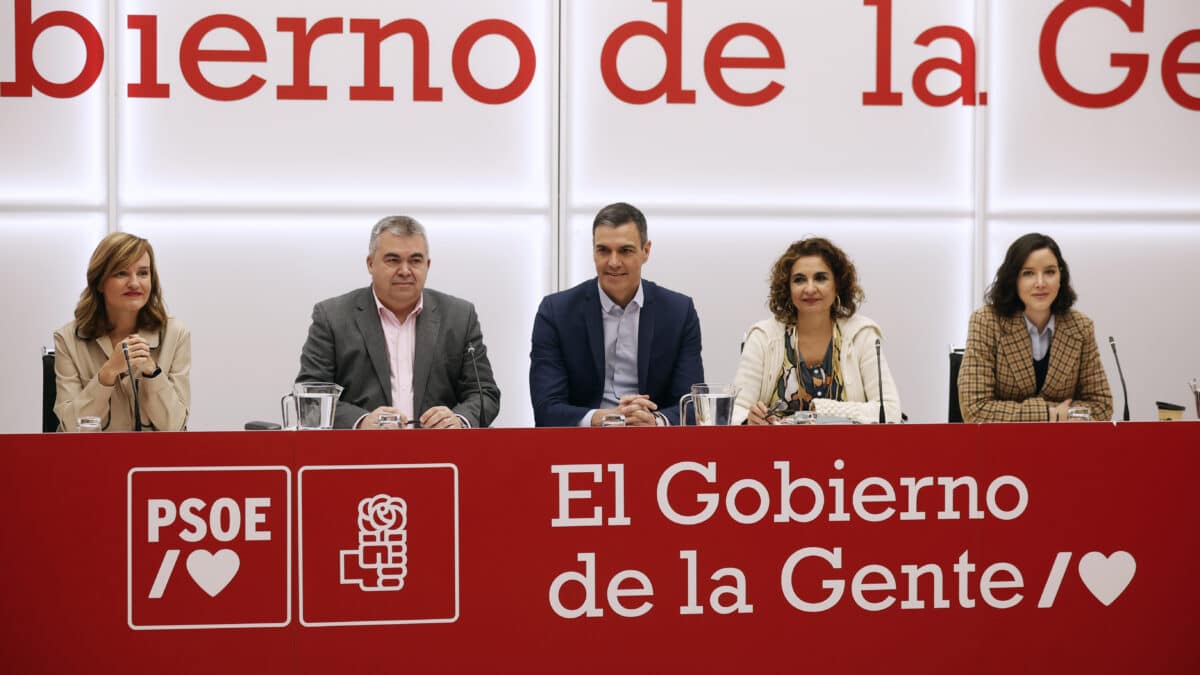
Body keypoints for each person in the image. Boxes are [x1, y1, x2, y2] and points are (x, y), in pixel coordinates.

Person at [296, 216, 499, 429]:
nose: (404, 270)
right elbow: (310, 401)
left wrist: (459, 420)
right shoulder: (332, 317)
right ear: (370, 264)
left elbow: (484, 394)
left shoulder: (459, 316)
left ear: (427, 265)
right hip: (361, 455)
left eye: (415, 260)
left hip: (441, 455)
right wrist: (361, 422)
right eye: (393, 260)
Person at [530, 202, 704, 427]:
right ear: (593, 252)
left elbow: (691, 406)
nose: (613, 262)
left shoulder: (679, 313)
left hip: (657, 447)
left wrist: (654, 421)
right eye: (603, 250)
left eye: (625, 250)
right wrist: (605, 418)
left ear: (646, 251)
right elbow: (546, 409)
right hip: (580, 446)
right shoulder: (555, 313)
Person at [732, 237, 900, 425]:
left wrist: (819, 411)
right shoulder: (763, 336)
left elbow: (890, 412)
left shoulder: (862, 335)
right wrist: (749, 419)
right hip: (776, 452)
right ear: (788, 288)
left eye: (820, 278)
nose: (810, 288)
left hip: (850, 452)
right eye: (799, 280)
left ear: (837, 285)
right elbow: (734, 410)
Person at [958, 233, 1112, 422]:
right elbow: (975, 408)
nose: (1041, 283)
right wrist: (1051, 414)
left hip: (1063, 447)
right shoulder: (987, 322)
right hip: (1001, 446)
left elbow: (1102, 405)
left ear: (1060, 276)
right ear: (1013, 279)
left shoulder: (1080, 327)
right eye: (1028, 273)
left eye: (1049, 272)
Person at [53, 233, 190, 431]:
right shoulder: (67, 339)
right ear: (100, 281)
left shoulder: (175, 335)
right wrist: (108, 372)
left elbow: (175, 426)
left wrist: (152, 372)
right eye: (121, 273)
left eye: (143, 273)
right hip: (93, 459)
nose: (134, 283)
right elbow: (71, 428)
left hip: (151, 460)